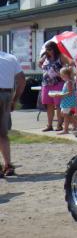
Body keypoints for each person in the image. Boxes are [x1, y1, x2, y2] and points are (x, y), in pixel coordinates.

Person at [0, 49, 25, 177]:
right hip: (6, 94)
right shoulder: (11, 58)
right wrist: (14, 99)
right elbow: (21, 80)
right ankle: (8, 165)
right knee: (3, 134)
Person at [38, 41, 71, 132]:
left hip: (58, 83)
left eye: (50, 49)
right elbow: (39, 63)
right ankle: (49, 125)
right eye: (47, 50)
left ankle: (59, 125)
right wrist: (43, 67)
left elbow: (69, 64)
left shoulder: (61, 56)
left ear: (54, 49)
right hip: (46, 83)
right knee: (49, 105)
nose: (49, 51)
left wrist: (60, 72)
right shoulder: (46, 56)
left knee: (58, 105)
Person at [49, 67, 77, 134]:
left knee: (65, 115)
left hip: (68, 101)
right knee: (65, 114)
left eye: (61, 74)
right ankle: (76, 124)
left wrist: (60, 95)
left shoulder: (69, 82)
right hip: (66, 100)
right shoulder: (67, 82)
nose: (61, 76)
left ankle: (66, 130)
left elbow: (70, 92)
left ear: (66, 75)